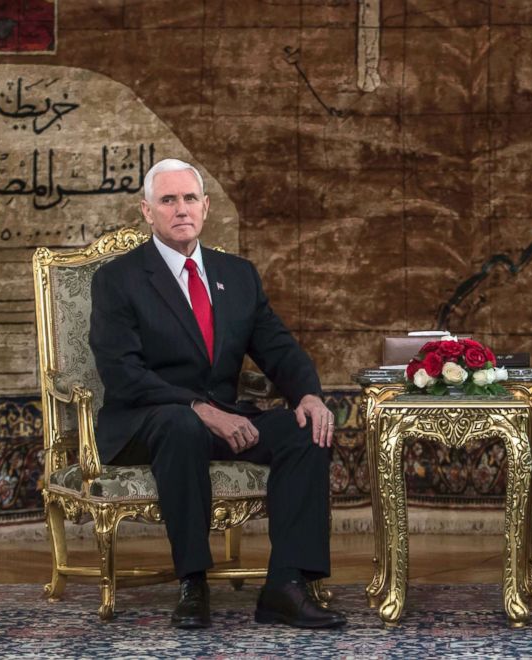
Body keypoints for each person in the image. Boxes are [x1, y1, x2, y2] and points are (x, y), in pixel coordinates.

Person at [89, 158, 346, 630]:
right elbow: (122, 373)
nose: (180, 209)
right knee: (182, 424)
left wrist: (308, 395)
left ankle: (285, 587)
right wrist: (199, 407)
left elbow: (279, 348)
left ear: (205, 207)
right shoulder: (118, 279)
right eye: (168, 200)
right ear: (147, 211)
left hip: (225, 416)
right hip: (148, 420)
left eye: (189, 198)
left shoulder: (239, 275)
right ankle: (193, 583)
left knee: (306, 431)